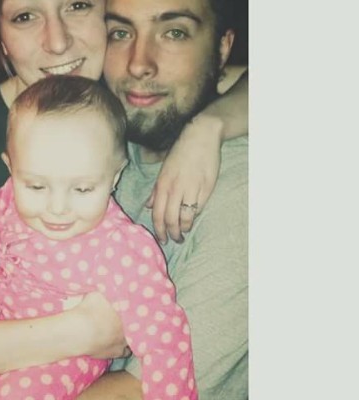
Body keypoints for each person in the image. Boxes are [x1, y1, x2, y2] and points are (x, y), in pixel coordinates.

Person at [0, 0, 248, 398]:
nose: (58, 43)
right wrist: (80, 331)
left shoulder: (125, 94)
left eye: (77, 5)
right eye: (24, 16)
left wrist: (208, 126)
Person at [0, 75, 198, 400]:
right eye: (37, 186)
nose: (57, 208)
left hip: (60, 360)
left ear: (114, 177)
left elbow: (162, 335)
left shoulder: (122, 248)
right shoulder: (8, 198)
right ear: (11, 168)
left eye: (82, 189)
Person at [80, 0, 248, 398]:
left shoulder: (243, 191)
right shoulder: (98, 143)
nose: (139, 63)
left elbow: (143, 391)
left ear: (222, 48)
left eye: (174, 32)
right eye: (120, 33)